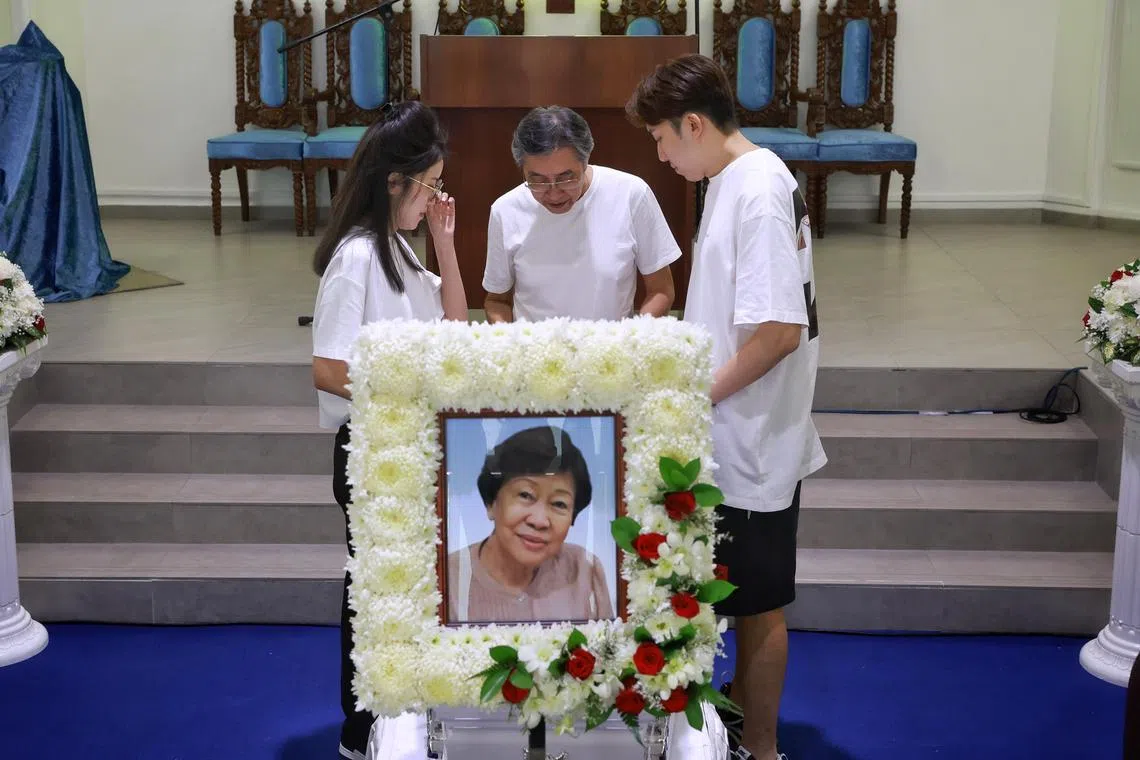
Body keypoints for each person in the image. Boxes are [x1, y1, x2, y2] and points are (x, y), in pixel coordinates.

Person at [628, 54, 828, 760]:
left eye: (661, 138)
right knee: (742, 602)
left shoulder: (756, 188)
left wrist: (693, 395)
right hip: (738, 429)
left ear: (693, 123)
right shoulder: (734, 179)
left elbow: (777, 332)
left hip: (751, 434)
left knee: (759, 604)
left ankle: (764, 748)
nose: (660, 154)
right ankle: (738, 731)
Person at [310, 101, 468, 760]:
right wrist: (404, 401)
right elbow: (327, 367)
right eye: (430, 184)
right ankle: (361, 725)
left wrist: (447, 241)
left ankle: (406, 712)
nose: (434, 195)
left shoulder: (399, 252)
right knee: (374, 592)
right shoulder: (356, 258)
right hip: (375, 449)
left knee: (413, 589)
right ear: (395, 181)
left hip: (411, 448)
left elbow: (455, 330)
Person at [482, 105, 682, 323]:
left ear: (585, 161)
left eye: (566, 178)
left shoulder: (631, 194)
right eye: (538, 181)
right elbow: (497, 300)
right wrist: (510, 341)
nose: (554, 192)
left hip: (610, 351)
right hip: (538, 352)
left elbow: (661, 290)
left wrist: (631, 340)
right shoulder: (506, 210)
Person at [446, 425, 614, 623]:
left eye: (559, 504)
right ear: (491, 503)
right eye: (525, 495)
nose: (540, 521)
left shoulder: (584, 569)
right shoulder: (447, 580)